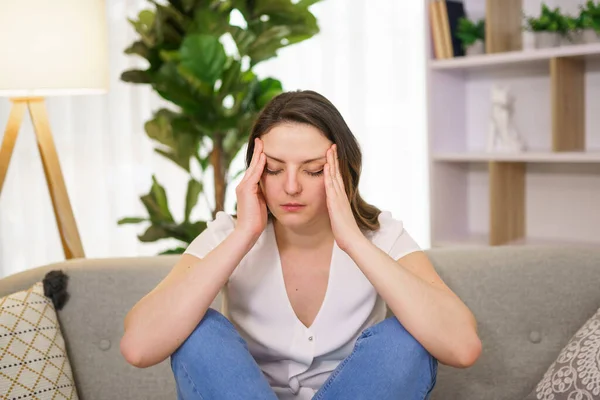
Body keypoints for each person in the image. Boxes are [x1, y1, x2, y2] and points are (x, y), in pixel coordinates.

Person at [120, 90, 482, 400]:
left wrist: (354, 241)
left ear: (345, 171)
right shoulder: (228, 233)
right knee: (198, 333)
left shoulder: (379, 236)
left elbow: (462, 347)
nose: (291, 187)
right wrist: (244, 235)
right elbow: (138, 347)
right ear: (255, 174)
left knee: (408, 339)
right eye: (275, 169)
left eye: (312, 170)